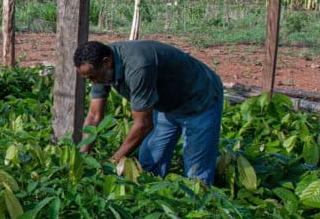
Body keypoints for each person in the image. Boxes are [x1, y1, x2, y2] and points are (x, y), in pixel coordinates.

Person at [74, 40, 224, 185]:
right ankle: (153, 198)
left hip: (200, 100)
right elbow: (94, 116)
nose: (92, 82)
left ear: (106, 62)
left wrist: (113, 161)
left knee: (196, 173)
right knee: (149, 161)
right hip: (167, 105)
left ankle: (198, 206)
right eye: (87, 78)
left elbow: (143, 124)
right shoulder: (100, 70)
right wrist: (83, 157)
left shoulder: (138, 67)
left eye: (92, 77)